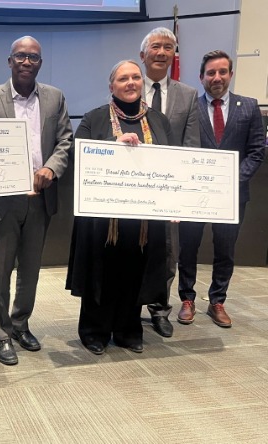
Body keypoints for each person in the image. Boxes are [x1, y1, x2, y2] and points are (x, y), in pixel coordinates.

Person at [0, 36, 73, 365]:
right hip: (4, 200)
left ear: (40, 63)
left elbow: (64, 142)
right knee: (0, 271)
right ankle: (1, 335)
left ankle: (20, 324)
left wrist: (50, 169)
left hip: (41, 198)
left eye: (33, 57)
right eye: (20, 56)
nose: (27, 62)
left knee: (30, 270)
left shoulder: (55, 97)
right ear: (10, 61)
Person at [66, 60, 174, 355]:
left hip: (143, 220)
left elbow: (173, 164)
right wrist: (115, 146)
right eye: (123, 78)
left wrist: (175, 203)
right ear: (111, 86)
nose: (131, 83)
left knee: (134, 271)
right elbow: (79, 156)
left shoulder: (159, 121)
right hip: (103, 220)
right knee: (101, 273)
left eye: (136, 77)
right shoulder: (94, 118)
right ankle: (94, 331)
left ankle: (128, 329)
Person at [177, 50, 265, 328]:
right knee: (188, 247)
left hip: (232, 195)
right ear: (201, 77)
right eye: (211, 73)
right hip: (195, 193)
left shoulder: (249, 107)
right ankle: (187, 299)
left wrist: (232, 180)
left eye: (222, 72)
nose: (217, 78)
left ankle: (217, 301)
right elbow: (182, 149)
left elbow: (256, 151)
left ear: (230, 74)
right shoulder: (191, 107)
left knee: (225, 249)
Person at [139, 27, 200, 338]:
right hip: (134, 184)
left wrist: (181, 192)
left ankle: (160, 309)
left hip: (170, 188)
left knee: (167, 251)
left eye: (167, 47)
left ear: (174, 54)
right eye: (155, 47)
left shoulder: (187, 95)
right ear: (143, 55)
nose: (161, 52)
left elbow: (191, 145)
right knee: (131, 247)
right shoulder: (130, 85)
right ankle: (128, 307)